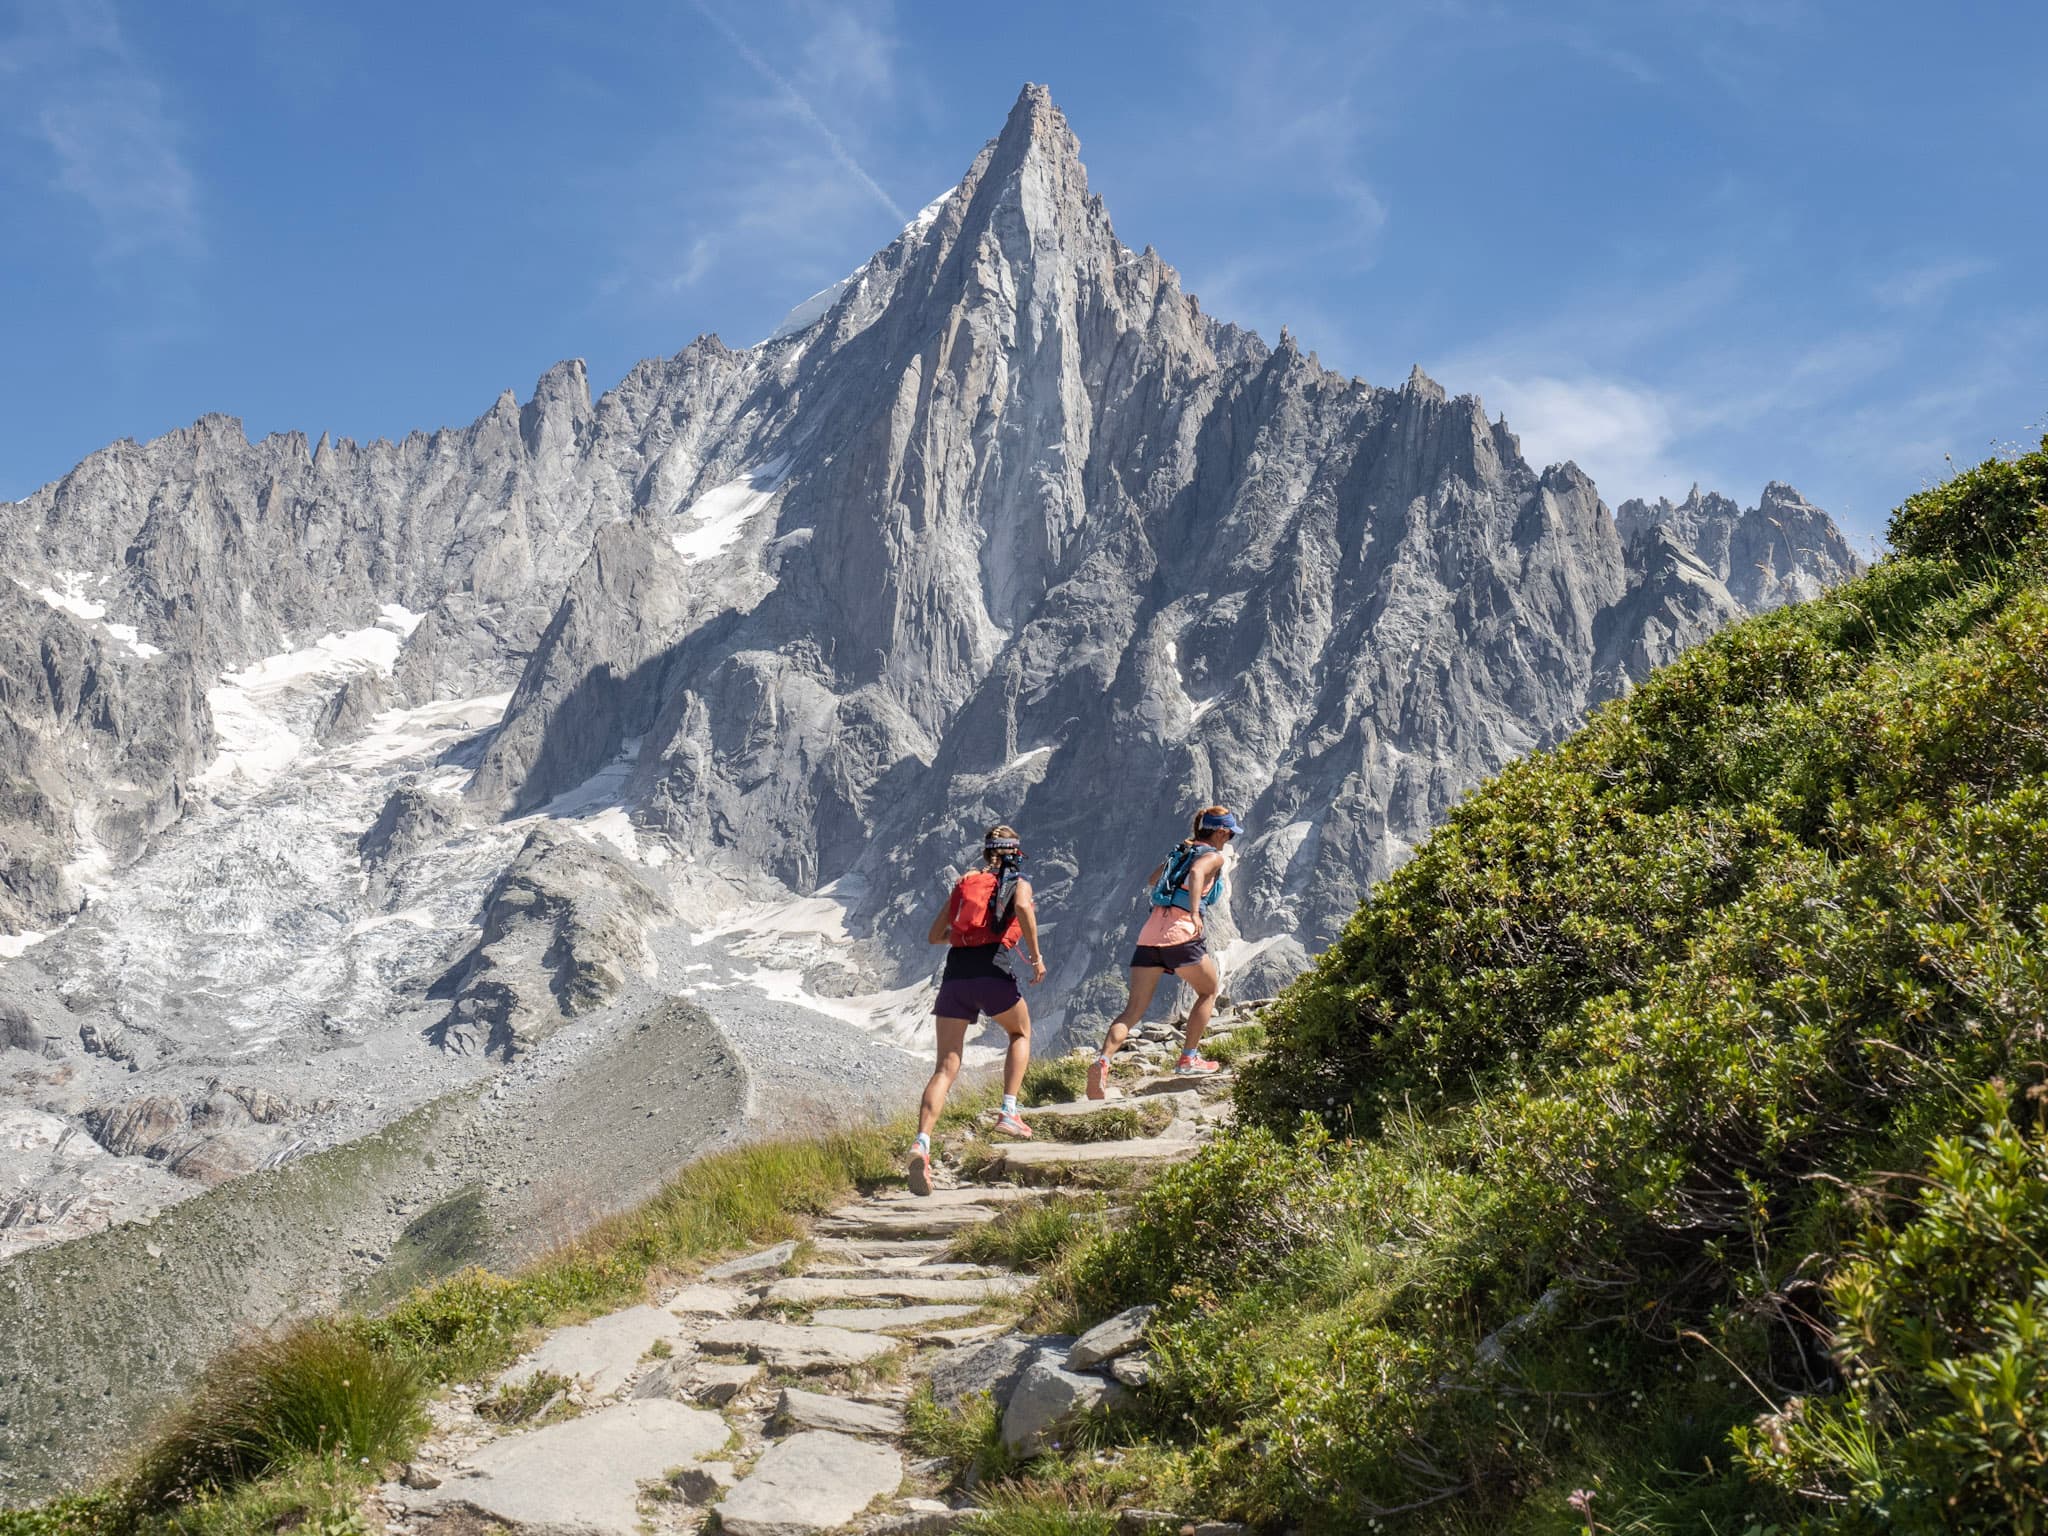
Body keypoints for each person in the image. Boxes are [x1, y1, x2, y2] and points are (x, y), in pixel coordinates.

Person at [908, 824, 1047, 1196]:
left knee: (945, 1066)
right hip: (992, 968)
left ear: (987, 853)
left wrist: (967, 936)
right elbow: (1021, 907)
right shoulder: (1018, 882)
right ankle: (1009, 1113)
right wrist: (1035, 957)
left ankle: (921, 1143)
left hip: (956, 972)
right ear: (1015, 853)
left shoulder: (966, 882)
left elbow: (935, 936)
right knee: (1019, 1032)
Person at [1086, 805, 1241, 1099]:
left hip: (1150, 935)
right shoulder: (1213, 856)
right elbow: (1197, 874)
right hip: (1180, 932)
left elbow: (1153, 879)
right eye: (1230, 833)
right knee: (1209, 990)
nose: (1230, 838)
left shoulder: (1181, 851)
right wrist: (1195, 913)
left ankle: (1102, 1061)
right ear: (1220, 831)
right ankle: (1189, 1058)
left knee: (1132, 1011)